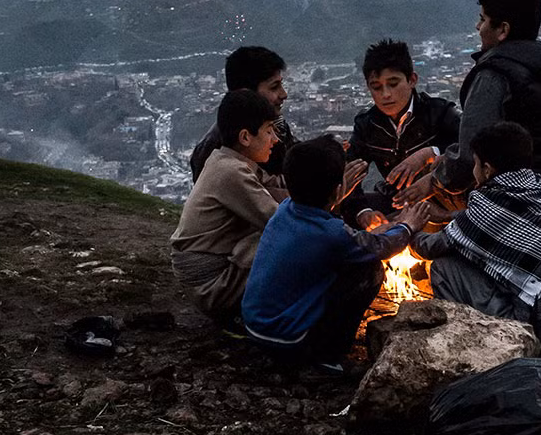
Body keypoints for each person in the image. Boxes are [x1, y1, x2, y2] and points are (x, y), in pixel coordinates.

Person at [410, 122, 541, 357]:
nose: (474, 172)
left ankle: (477, 348)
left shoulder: (484, 209)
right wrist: (449, 216)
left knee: (444, 268)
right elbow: (504, 219)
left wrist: (409, 226)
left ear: (487, 169)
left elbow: (428, 248)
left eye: (476, 164)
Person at [242, 137, 431, 373]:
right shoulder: (330, 234)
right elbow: (379, 247)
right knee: (368, 269)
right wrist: (407, 225)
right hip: (287, 340)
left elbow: (321, 213)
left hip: (256, 326)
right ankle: (328, 355)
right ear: (336, 189)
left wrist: (337, 194)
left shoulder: (286, 210)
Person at [398, 0, 541, 214]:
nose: (478, 26)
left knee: (433, 204)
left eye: (483, 19)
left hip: (519, 197)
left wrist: (434, 181)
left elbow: (470, 156)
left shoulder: (495, 75)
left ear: (503, 30)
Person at [170, 90, 282, 325]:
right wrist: (331, 199)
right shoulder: (231, 172)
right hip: (212, 286)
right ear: (245, 137)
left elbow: (280, 189)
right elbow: (281, 221)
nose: (275, 140)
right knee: (287, 236)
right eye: (269, 131)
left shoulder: (228, 161)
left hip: (212, 278)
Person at [340, 39, 460, 229]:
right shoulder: (367, 125)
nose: (385, 94)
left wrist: (429, 153)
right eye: (376, 87)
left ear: (412, 80)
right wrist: (363, 212)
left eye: (393, 84)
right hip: (397, 200)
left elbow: (471, 146)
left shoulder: (439, 113)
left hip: (446, 199)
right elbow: (350, 172)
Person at [190, 46, 296, 182]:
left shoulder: (276, 124)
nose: (284, 94)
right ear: (246, 93)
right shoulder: (214, 150)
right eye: (274, 87)